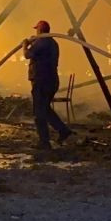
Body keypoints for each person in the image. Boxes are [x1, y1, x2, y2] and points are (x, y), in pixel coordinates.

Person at [22, 20, 72, 155]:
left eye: (36, 29)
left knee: (39, 113)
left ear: (40, 30)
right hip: (52, 81)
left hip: (41, 81)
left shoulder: (41, 42)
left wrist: (25, 45)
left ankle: (44, 142)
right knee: (45, 109)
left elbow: (27, 55)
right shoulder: (52, 43)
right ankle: (63, 130)